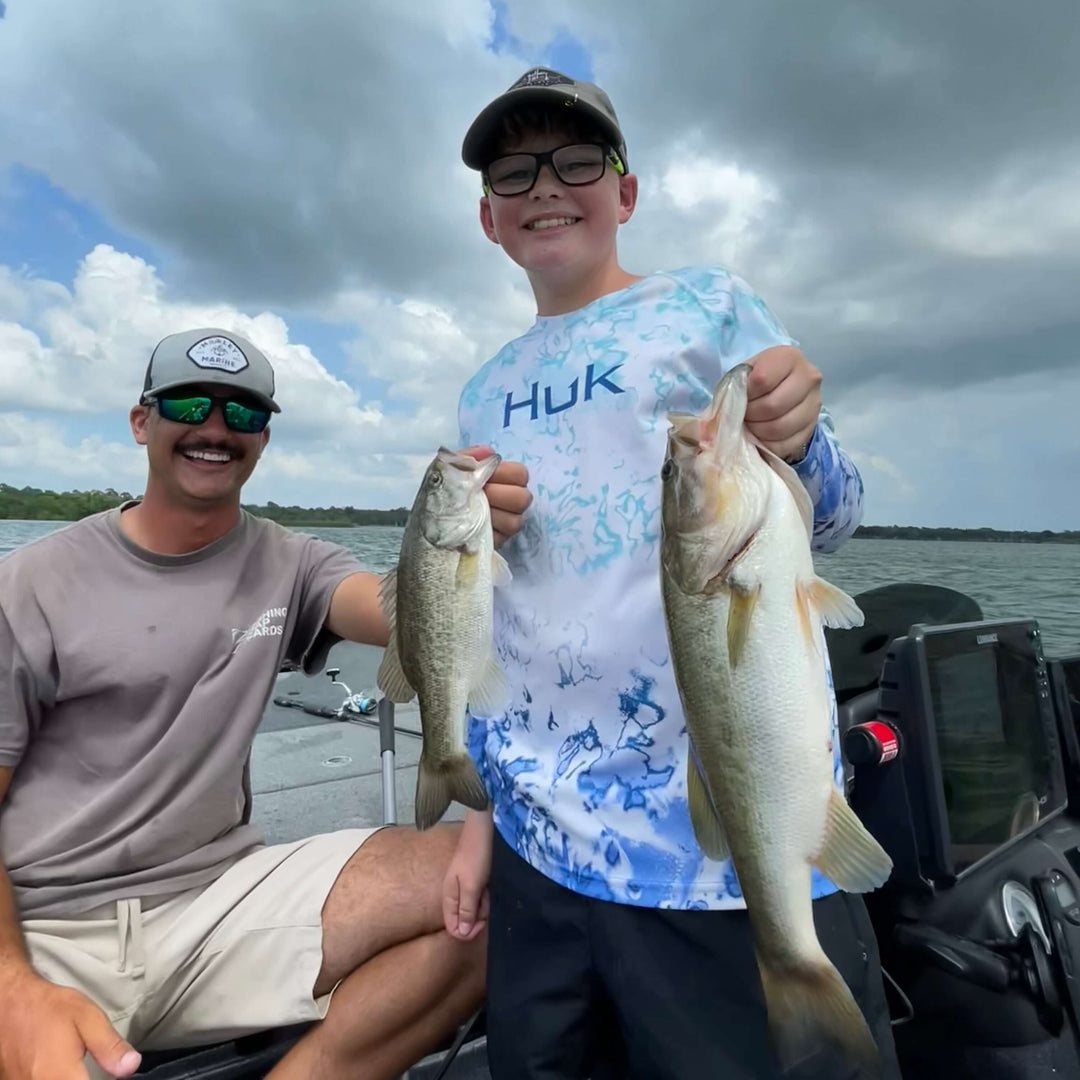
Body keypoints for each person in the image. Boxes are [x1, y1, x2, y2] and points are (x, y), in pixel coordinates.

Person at [441, 68, 901, 1079]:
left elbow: (836, 517)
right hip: (539, 848)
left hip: (721, 856)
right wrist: (483, 815)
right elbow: (501, 616)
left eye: (576, 161)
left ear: (626, 193)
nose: (546, 186)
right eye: (515, 172)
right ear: (488, 218)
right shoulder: (484, 392)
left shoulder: (710, 304)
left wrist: (805, 434)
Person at [0, 328, 525, 1080]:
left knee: (488, 895)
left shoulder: (292, 559)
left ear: (264, 438)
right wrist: (12, 986)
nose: (215, 429)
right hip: (45, 927)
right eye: (189, 403)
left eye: (242, 415)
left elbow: (403, 616)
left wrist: (489, 538)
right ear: (142, 421)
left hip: (219, 896)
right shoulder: (29, 583)